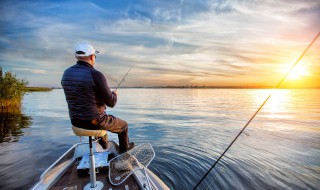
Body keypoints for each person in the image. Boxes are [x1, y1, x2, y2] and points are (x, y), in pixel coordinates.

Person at [61, 42, 134, 154]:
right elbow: (111, 103)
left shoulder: (66, 73)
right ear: (91, 57)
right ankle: (123, 158)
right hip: (94, 122)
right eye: (95, 56)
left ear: (77, 57)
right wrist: (114, 94)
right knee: (123, 126)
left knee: (102, 120)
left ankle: (104, 146)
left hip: (75, 121)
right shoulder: (96, 74)